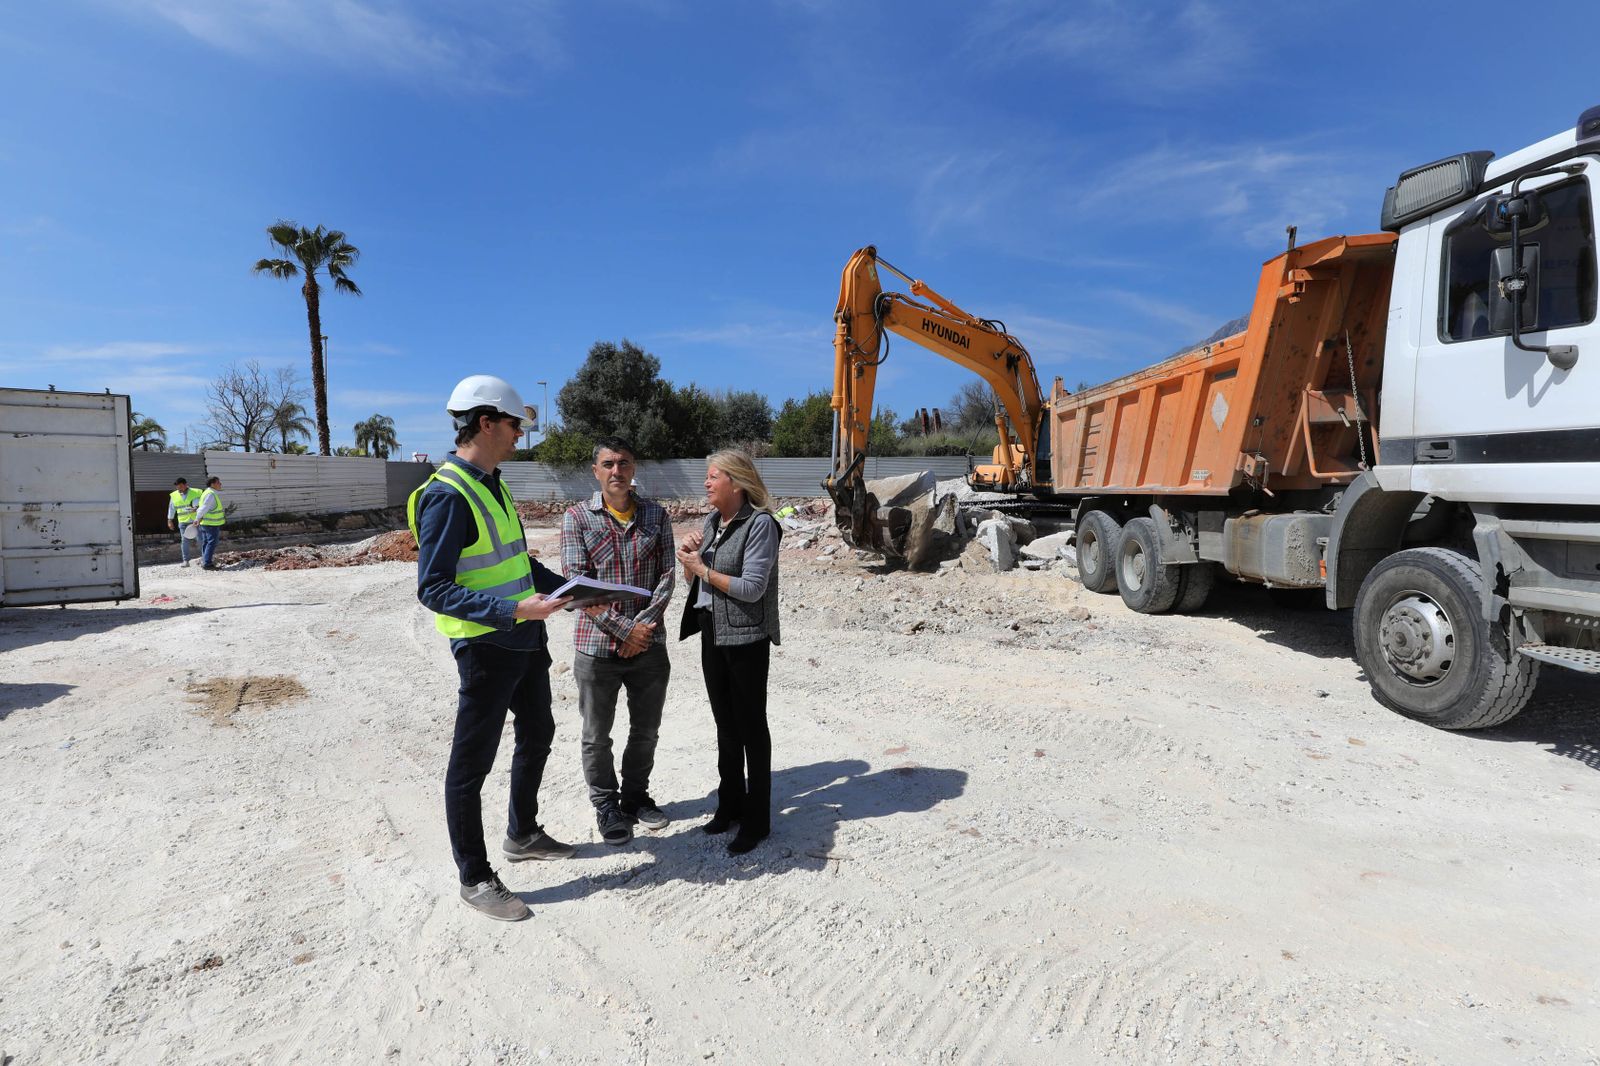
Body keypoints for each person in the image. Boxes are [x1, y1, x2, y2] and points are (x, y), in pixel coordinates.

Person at [408, 374, 574, 922]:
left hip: (525, 637)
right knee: (470, 764)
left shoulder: (492, 482)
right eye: (515, 425)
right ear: (486, 423)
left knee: (539, 732)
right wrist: (510, 611)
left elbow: (515, 562)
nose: (522, 434)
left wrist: (570, 590)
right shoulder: (448, 494)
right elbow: (433, 588)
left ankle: (522, 833)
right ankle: (474, 877)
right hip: (486, 645)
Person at [560, 437, 676, 847]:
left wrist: (641, 629)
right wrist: (624, 631)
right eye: (608, 464)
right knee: (597, 735)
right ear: (596, 471)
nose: (616, 471)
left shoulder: (656, 516)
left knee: (646, 730)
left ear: (634, 468)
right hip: (597, 648)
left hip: (649, 645)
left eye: (623, 463)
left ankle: (636, 797)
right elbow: (576, 586)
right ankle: (606, 805)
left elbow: (667, 577)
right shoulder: (577, 518)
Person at [676, 450, 781, 855]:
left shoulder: (761, 525)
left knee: (751, 727)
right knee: (724, 724)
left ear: (736, 483)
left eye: (713, 476)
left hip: (746, 637)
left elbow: (752, 588)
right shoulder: (710, 522)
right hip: (711, 631)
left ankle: (757, 820)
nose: (706, 483)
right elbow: (695, 582)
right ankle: (729, 806)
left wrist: (702, 569)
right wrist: (689, 560)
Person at [167, 477, 203, 567]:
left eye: (181, 486)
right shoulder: (174, 495)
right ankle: (186, 561)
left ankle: (205, 558)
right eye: (178, 487)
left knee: (200, 539)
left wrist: (197, 508)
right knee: (184, 541)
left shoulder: (197, 492)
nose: (179, 489)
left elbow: (203, 504)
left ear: (186, 484)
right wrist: (170, 520)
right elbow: (171, 508)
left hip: (196, 520)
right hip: (183, 521)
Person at [192, 476, 226, 570]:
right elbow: (204, 508)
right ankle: (207, 564)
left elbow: (202, 506)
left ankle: (205, 561)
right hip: (211, 524)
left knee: (206, 542)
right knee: (212, 543)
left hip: (206, 523)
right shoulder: (210, 494)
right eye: (218, 482)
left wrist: (198, 518)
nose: (220, 484)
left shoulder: (206, 492)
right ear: (212, 484)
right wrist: (197, 518)